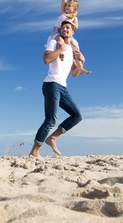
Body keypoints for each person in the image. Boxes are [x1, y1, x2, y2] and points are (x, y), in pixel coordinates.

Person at [30, 20, 85, 157]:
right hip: (51, 84)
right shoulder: (54, 43)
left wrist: (81, 64)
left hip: (63, 88)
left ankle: (52, 138)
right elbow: (46, 59)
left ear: (72, 32)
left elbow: (74, 74)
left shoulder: (72, 51)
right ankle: (34, 151)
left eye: (68, 27)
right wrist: (60, 49)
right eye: (63, 27)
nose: (65, 29)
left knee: (77, 116)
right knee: (51, 120)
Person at [48, 0, 90, 76]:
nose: (66, 7)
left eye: (69, 6)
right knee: (60, 40)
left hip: (68, 34)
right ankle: (60, 53)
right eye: (66, 5)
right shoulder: (63, 13)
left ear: (75, 9)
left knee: (75, 48)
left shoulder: (74, 18)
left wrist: (70, 25)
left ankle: (80, 67)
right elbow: (63, 0)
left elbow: (75, 27)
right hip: (58, 32)